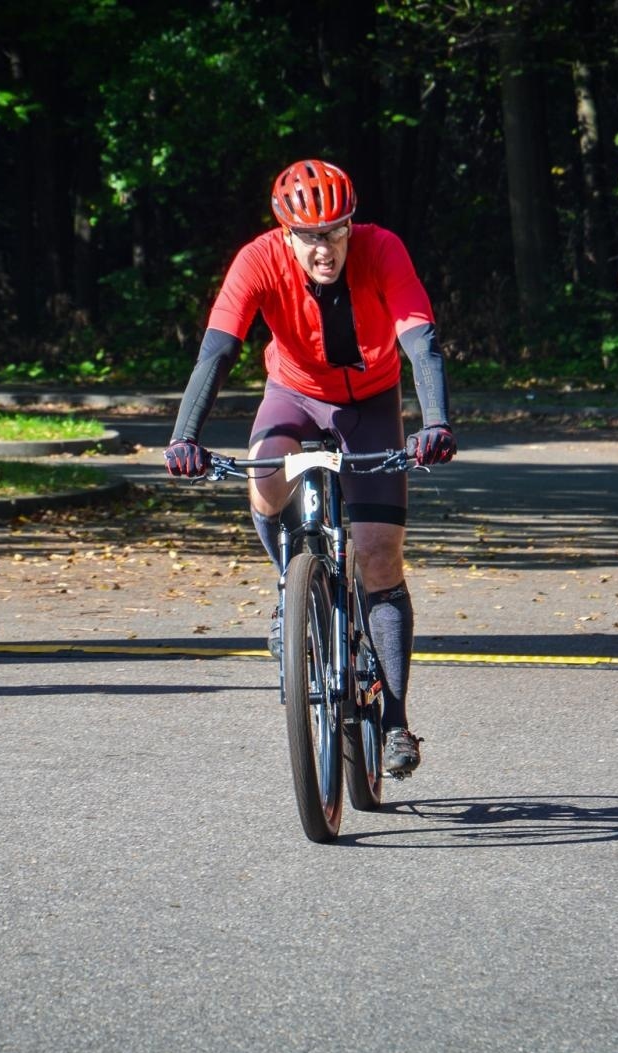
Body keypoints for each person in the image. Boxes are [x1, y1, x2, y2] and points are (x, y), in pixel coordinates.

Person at [163, 159, 456, 777]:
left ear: (353, 225)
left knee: (379, 554)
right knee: (264, 473)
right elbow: (217, 350)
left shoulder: (383, 251)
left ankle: (397, 719)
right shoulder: (259, 260)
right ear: (286, 233)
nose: (325, 248)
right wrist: (184, 436)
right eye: (311, 236)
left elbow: (419, 337)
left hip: (371, 402)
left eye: (337, 231)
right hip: (292, 394)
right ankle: (288, 593)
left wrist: (436, 422)